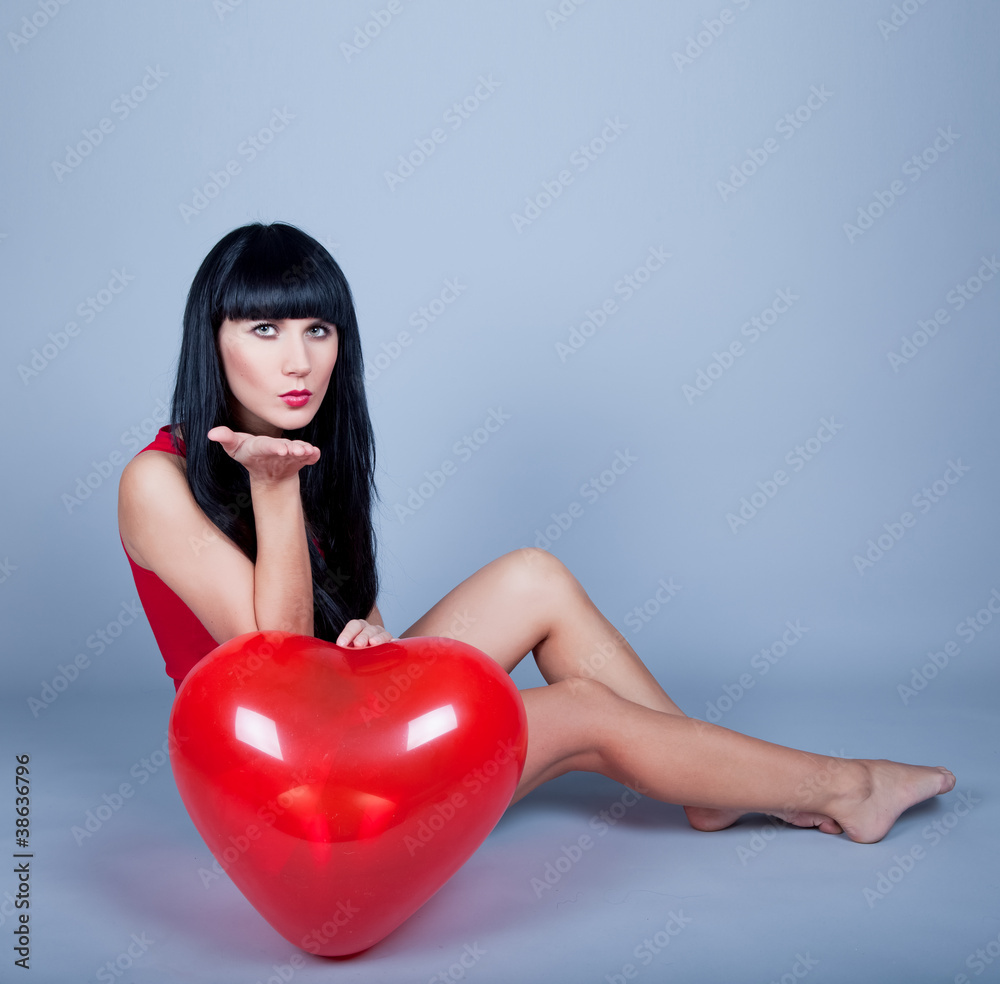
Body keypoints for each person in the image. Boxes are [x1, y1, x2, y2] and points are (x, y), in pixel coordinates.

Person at [118, 221, 955, 845]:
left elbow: (342, 652)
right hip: (296, 808)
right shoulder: (157, 481)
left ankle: (706, 782)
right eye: (264, 330)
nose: (298, 360)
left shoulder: (309, 454)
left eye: (317, 329)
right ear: (213, 340)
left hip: (344, 734)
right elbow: (283, 673)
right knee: (584, 714)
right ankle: (846, 788)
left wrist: (369, 644)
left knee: (534, 575)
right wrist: (273, 491)